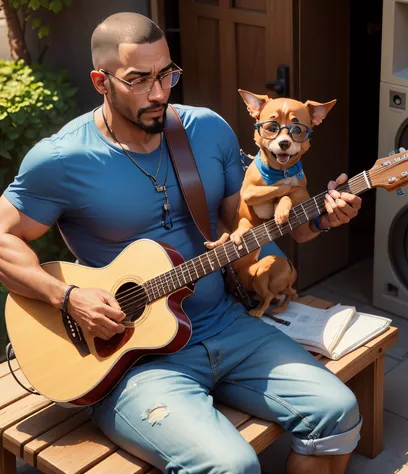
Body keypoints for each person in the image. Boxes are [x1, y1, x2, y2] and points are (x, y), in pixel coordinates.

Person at [0, 12, 363, 474]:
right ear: (100, 80)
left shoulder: (206, 131)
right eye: (138, 79)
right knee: (232, 466)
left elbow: (247, 221)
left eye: (166, 75)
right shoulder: (62, 158)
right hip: (131, 359)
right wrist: (67, 297)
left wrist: (317, 220)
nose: (158, 93)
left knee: (337, 410)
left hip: (226, 325)